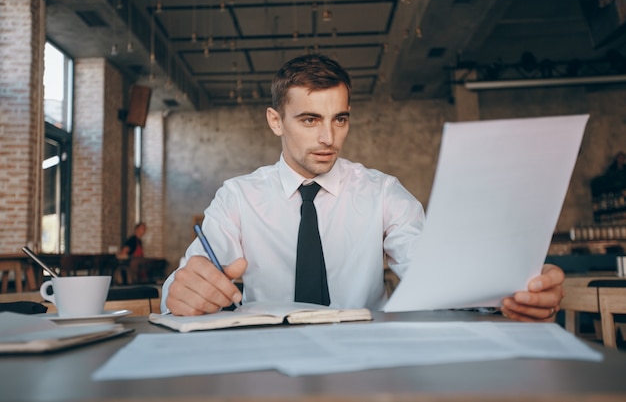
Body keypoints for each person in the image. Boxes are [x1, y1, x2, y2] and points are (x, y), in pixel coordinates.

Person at [162, 54, 565, 322]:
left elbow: (436, 273)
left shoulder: (383, 193)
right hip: (265, 360)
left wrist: (511, 288)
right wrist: (179, 295)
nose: (328, 138)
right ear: (275, 121)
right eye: (308, 120)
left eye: (339, 119)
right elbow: (183, 286)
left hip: (366, 357)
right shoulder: (237, 198)